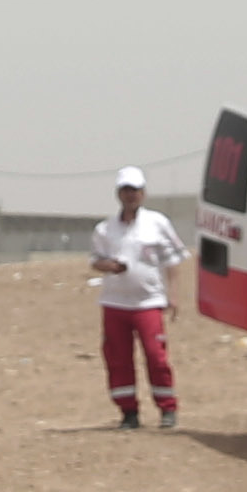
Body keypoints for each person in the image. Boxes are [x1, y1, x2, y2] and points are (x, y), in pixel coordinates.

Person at [86, 167, 182, 431]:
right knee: (118, 359)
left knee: (156, 355)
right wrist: (110, 266)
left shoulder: (157, 223)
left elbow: (172, 261)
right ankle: (128, 412)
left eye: (136, 190)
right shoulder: (105, 229)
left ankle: (167, 408)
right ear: (119, 193)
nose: (131, 196)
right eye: (126, 191)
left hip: (148, 302)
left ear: (144, 193)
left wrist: (173, 295)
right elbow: (95, 261)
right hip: (115, 303)